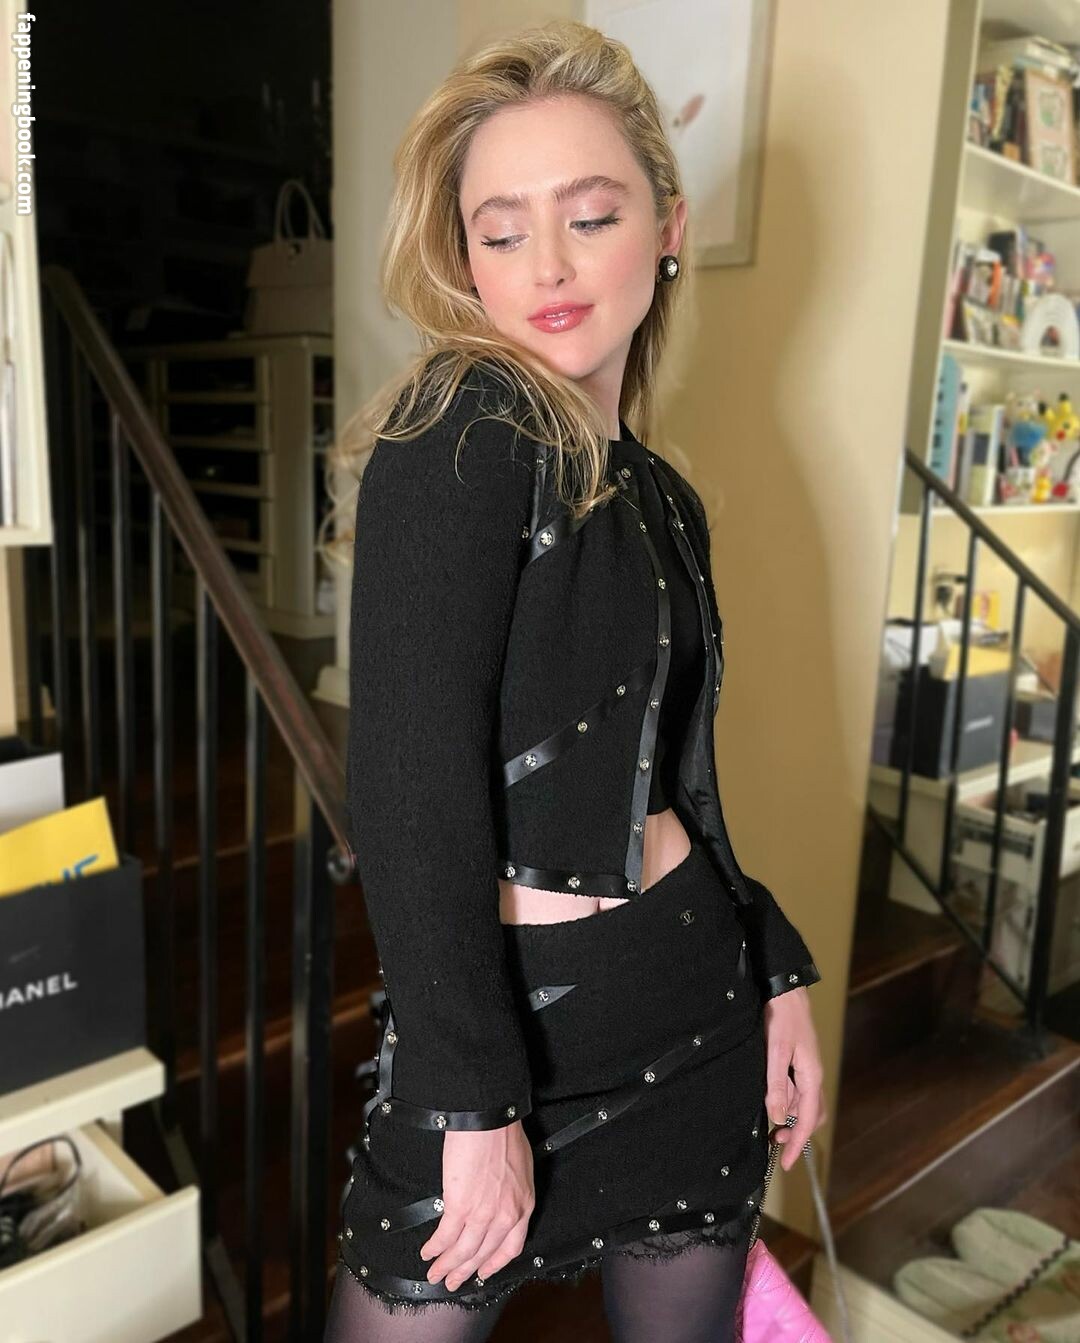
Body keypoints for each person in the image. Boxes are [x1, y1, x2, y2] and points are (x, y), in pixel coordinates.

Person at [324, 19, 827, 1343]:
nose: (547, 264)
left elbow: (681, 782)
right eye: (501, 232)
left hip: (693, 1006)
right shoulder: (456, 435)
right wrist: (470, 1101)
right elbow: (410, 791)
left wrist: (774, 964)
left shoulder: (661, 498)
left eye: (590, 216)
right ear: (464, 261)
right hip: (511, 1028)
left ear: (667, 228)